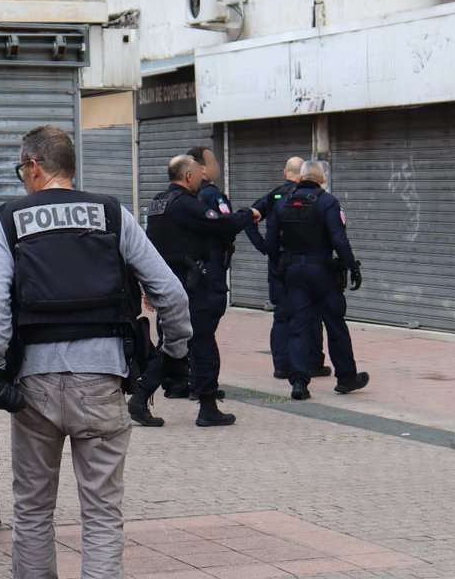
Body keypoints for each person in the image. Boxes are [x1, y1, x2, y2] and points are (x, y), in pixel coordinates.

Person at [0, 125, 192, 579]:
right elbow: (171, 293)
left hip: (32, 385)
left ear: (35, 167)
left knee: (33, 511)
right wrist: (175, 352)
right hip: (101, 379)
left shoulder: (11, 219)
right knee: (101, 513)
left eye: (21, 168)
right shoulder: (112, 214)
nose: (22, 177)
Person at [128, 153, 261, 428]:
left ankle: (140, 398)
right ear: (188, 176)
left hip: (168, 284)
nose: (202, 177)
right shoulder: (186, 204)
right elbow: (223, 225)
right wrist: (249, 215)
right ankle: (206, 407)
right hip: (190, 286)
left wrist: (149, 288)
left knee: (176, 343)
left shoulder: (158, 203)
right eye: (198, 173)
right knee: (202, 344)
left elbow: (149, 248)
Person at [265, 159, 370, 400]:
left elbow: (270, 241)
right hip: (323, 273)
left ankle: (299, 383)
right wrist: (351, 266)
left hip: (294, 273)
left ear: (301, 177)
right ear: (322, 179)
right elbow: (339, 240)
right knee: (335, 325)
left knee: (298, 326)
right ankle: (346, 378)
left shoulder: (283, 202)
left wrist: (281, 264)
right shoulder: (327, 201)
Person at [250, 156, 330, 380]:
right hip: (306, 265)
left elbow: (249, 217)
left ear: (285, 173)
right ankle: (313, 363)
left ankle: (282, 366)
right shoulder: (314, 196)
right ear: (304, 174)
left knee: (282, 316)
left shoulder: (275, 196)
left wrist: (264, 247)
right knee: (311, 314)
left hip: (279, 264)